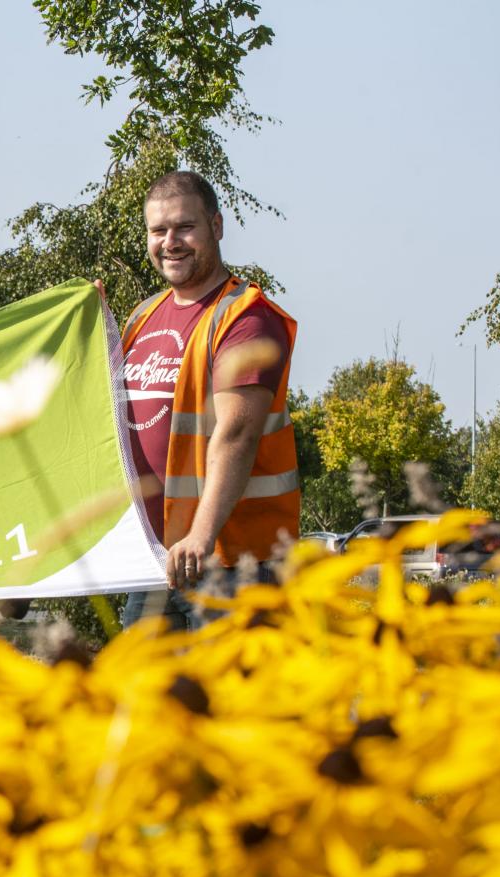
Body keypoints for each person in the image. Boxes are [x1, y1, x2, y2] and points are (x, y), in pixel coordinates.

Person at [116, 172, 299, 631]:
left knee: (235, 703)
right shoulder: (142, 316)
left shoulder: (246, 318)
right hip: (157, 561)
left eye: (184, 228)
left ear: (216, 226)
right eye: (158, 231)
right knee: (140, 700)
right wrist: (87, 323)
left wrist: (201, 533)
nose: (170, 242)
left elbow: (236, 435)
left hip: (233, 563)